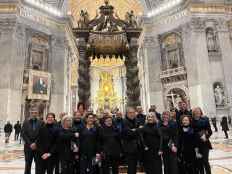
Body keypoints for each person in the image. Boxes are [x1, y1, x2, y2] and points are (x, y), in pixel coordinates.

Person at [21, 108, 43, 174]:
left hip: (38, 147)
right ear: (30, 113)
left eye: (35, 113)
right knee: (28, 164)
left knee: (38, 165)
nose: (34, 114)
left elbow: (42, 134)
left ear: (37, 113)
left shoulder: (41, 122)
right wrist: (30, 144)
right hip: (28, 147)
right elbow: (23, 134)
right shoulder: (25, 122)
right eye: (32, 113)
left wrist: (36, 143)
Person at [192, 107, 212, 174]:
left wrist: (206, 137)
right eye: (195, 111)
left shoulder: (205, 119)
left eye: (198, 111)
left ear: (201, 112)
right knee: (199, 162)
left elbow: (210, 131)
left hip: (204, 143)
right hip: (196, 144)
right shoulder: (191, 121)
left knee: (205, 161)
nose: (197, 112)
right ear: (193, 113)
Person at [122, 107, 140, 174]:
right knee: (131, 167)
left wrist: (134, 130)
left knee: (134, 167)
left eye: (133, 112)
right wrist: (137, 130)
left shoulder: (136, 120)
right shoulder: (124, 121)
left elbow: (140, 131)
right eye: (130, 113)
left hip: (136, 147)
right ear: (126, 114)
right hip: (129, 148)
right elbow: (129, 133)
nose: (132, 114)